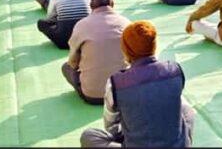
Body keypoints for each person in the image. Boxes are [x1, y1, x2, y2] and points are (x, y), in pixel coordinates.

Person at [80, 20, 195, 148]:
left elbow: (111, 127)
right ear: (154, 45)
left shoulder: (116, 83)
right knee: (187, 110)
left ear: (126, 50)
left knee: (89, 136)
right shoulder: (175, 70)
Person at [63, 0, 130, 105]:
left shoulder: (81, 25)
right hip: (122, 92)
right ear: (112, 4)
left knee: (65, 67)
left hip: (92, 95)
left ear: (91, 5)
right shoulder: (126, 23)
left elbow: (73, 62)